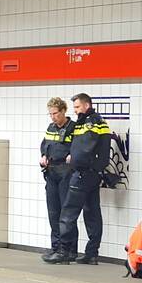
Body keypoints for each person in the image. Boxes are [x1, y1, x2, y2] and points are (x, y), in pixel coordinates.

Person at [45, 93, 111, 265]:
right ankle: (92, 253)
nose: (75, 111)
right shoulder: (101, 123)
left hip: (81, 174)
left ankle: (64, 252)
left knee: (68, 213)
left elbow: (83, 149)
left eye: (77, 107)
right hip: (94, 174)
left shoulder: (89, 124)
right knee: (92, 213)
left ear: (87, 105)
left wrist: (73, 159)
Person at [40, 97, 76, 260]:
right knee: (53, 212)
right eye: (50, 114)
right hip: (51, 171)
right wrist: (43, 156)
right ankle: (56, 247)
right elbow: (45, 145)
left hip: (66, 172)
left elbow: (79, 147)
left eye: (55, 113)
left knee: (66, 213)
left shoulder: (74, 128)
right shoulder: (51, 128)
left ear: (63, 111)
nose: (53, 117)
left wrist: (72, 156)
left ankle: (67, 250)